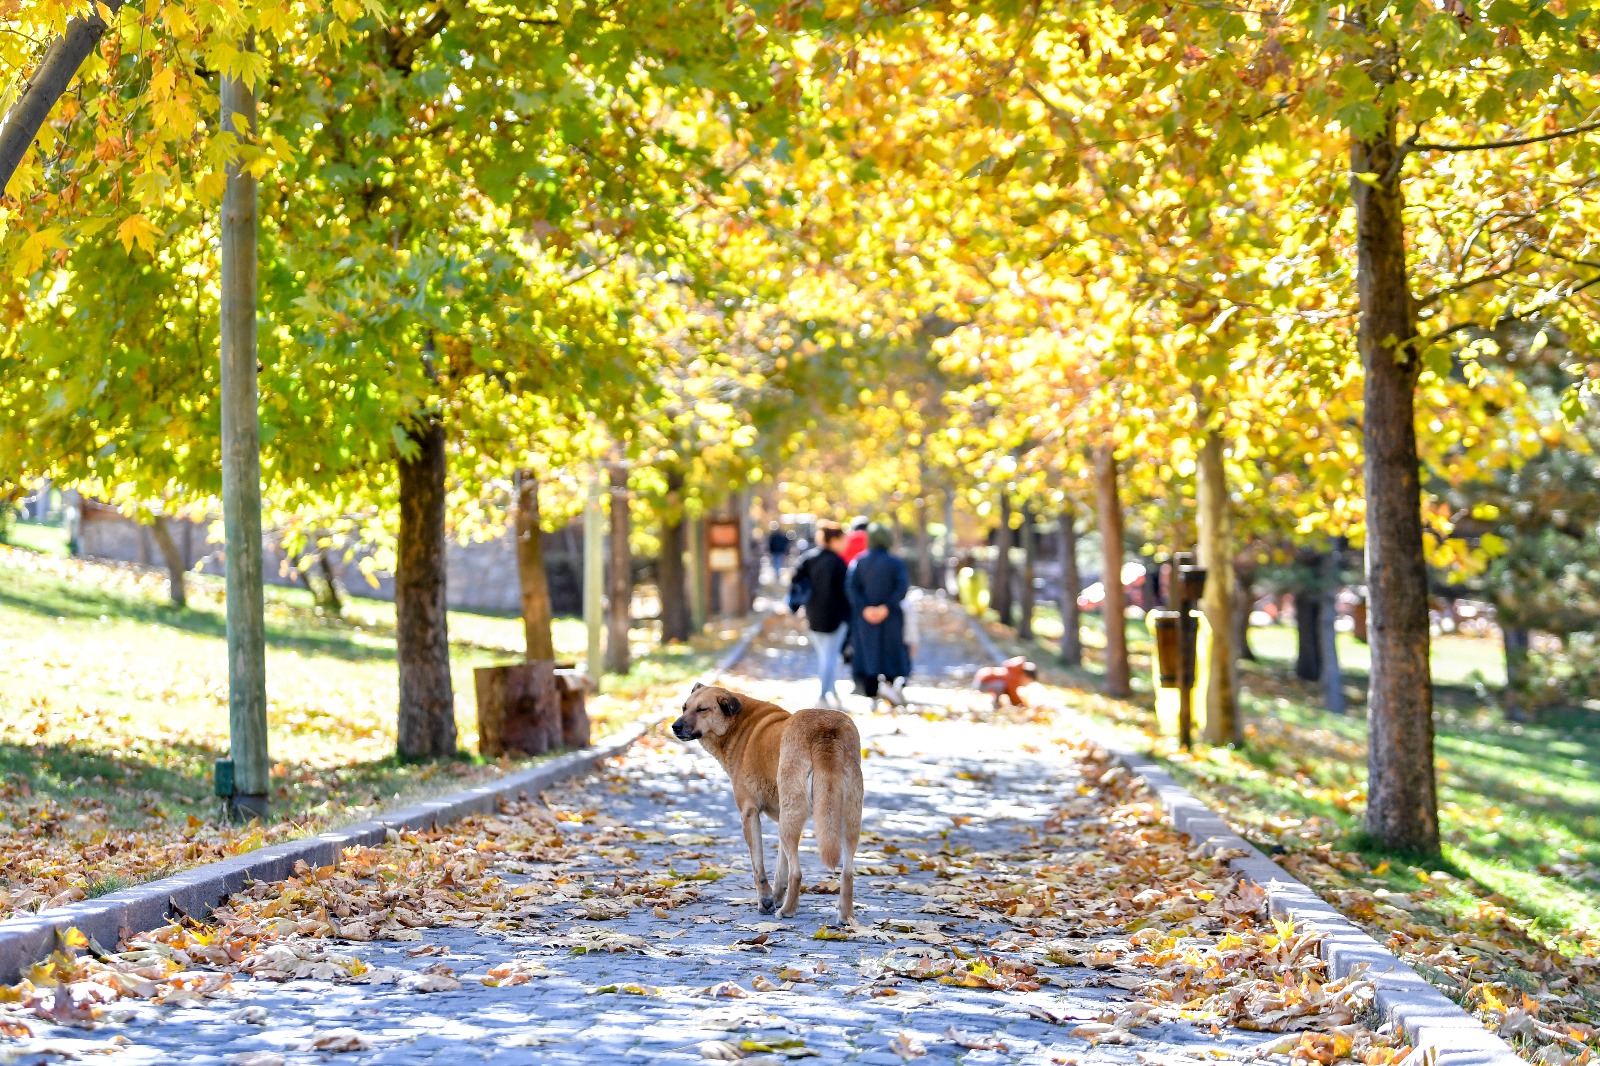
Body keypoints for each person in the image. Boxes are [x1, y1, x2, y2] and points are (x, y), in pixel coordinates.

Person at [846, 523, 911, 706]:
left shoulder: (858, 561)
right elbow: (901, 587)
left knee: (867, 651)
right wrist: (886, 607)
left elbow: (851, 587)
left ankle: (871, 692)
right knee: (890, 650)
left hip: (864, 617)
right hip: (890, 616)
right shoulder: (896, 562)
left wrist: (865, 607)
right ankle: (889, 687)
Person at [790, 521, 851, 707]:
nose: (845, 543)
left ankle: (833, 694)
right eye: (843, 539)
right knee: (830, 657)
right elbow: (845, 592)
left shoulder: (809, 558)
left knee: (826, 656)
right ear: (834, 539)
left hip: (813, 614)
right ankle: (824, 696)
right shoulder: (838, 563)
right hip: (835, 616)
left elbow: (795, 579)